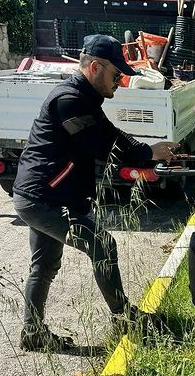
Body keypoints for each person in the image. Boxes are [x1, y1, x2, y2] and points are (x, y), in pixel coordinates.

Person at [12, 34, 177, 352]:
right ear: (95, 68)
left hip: (48, 195)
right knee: (102, 244)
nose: (120, 81)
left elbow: (109, 134)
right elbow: (104, 144)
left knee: (44, 265)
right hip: (42, 198)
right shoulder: (69, 100)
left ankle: (32, 333)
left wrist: (151, 151)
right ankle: (125, 319)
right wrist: (147, 153)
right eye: (116, 75)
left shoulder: (83, 98)